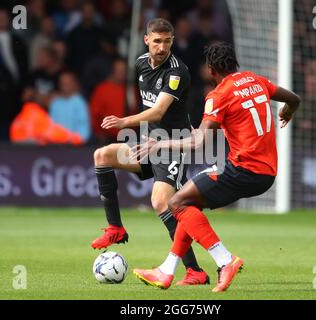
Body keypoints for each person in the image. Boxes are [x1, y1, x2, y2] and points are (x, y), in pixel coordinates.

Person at [132, 42, 301, 292]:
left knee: (176, 203)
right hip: (267, 173)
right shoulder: (256, 81)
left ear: (211, 70)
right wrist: (288, 111)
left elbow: (198, 142)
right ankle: (166, 271)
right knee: (188, 204)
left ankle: (225, 260)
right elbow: (294, 99)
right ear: (234, 63)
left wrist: (160, 144)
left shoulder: (218, 95)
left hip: (243, 169)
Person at [91, 18, 209, 286]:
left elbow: (158, 111)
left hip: (171, 146)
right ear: (147, 40)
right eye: (157, 41)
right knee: (102, 155)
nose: (162, 47)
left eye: (167, 41)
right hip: (148, 144)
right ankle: (116, 229)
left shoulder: (178, 72)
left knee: (161, 203)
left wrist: (123, 121)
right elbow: (147, 105)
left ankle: (195, 271)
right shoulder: (141, 62)